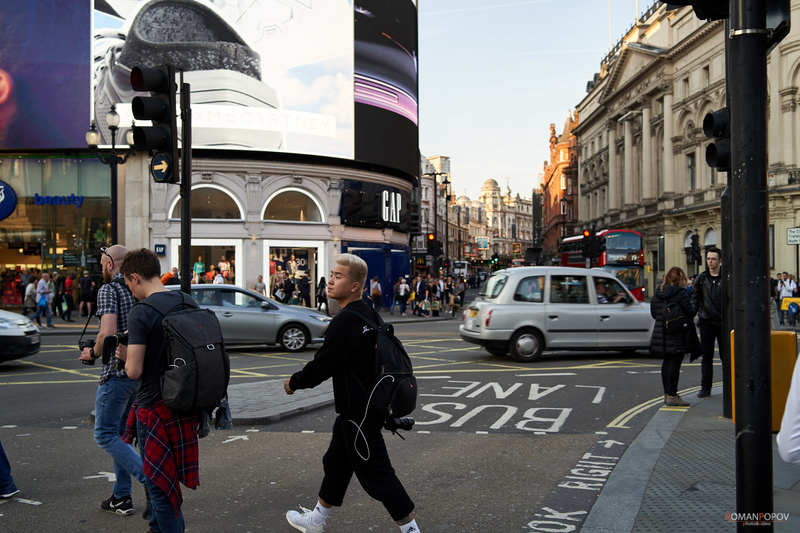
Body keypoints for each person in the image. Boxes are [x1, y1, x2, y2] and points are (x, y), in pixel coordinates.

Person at [283, 253, 420, 533]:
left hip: (359, 414)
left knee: (379, 475)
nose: (331, 280)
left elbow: (322, 366)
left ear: (355, 285)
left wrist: (294, 382)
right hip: (359, 410)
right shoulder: (368, 313)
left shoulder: (346, 321)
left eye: (339, 276)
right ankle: (317, 519)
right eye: (331, 275)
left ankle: (411, 530)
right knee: (336, 463)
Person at [120, 248, 201, 533]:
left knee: (159, 488)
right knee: (164, 480)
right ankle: (156, 527)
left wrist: (123, 353)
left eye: (129, 284)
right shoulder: (186, 300)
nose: (130, 290)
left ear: (135, 277)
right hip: (185, 403)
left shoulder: (141, 313)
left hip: (154, 409)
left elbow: (134, 370)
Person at [78, 245, 147, 517]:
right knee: (122, 437)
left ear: (110, 264)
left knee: (105, 434)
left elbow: (107, 335)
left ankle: (152, 483)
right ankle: (121, 497)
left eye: (102, 263)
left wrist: (91, 353)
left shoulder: (109, 289)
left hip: (117, 373)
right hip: (138, 372)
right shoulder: (137, 288)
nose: (100, 268)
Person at [650, 266, 697, 407]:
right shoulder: (681, 293)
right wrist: (695, 302)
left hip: (662, 333)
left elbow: (654, 313)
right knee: (675, 365)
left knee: (666, 363)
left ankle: (667, 394)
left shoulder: (659, 292)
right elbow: (690, 312)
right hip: (676, 333)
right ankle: (672, 395)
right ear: (680, 279)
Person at [692, 247, 724, 398]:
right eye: (708, 259)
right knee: (707, 357)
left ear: (720, 261)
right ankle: (705, 388)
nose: (710, 262)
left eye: (713, 259)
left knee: (727, 357)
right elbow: (695, 299)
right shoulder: (701, 278)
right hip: (706, 322)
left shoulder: (727, 278)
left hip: (724, 322)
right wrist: (695, 314)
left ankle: (730, 387)